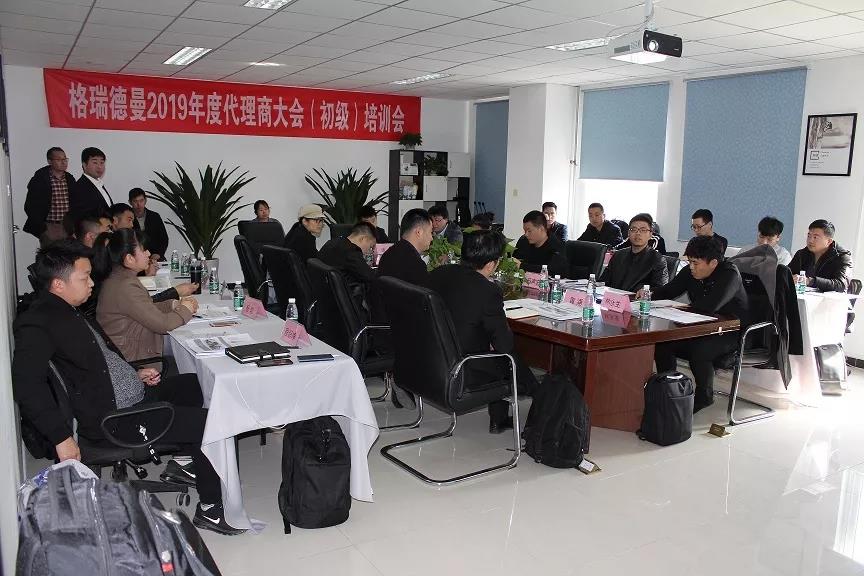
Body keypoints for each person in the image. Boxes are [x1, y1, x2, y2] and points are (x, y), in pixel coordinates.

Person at [12, 241, 243, 535]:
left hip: (129, 396)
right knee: (209, 422)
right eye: (85, 277)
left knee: (198, 386)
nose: (92, 283)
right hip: (117, 418)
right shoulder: (39, 322)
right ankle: (211, 510)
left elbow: (97, 362)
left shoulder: (66, 310)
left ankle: (187, 463)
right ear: (58, 284)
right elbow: (27, 384)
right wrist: (61, 437)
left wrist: (134, 373)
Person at [429, 230, 538, 434]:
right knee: (510, 359)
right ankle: (538, 401)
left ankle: (501, 417)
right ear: (491, 265)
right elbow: (504, 345)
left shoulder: (438, 274)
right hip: (463, 368)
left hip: (431, 360)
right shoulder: (487, 290)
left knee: (496, 351)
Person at [646, 236, 748, 413]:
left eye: (695, 263)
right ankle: (669, 387)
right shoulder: (691, 271)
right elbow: (669, 290)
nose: (691, 267)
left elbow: (711, 305)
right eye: (689, 262)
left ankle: (704, 396)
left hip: (732, 332)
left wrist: (679, 310)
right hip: (701, 327)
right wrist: (647, 294)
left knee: (700, 348)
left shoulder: (729, 274)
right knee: (663, 343)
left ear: (713, 263)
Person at [95, 228, 198, 363]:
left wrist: (173, 304)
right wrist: (185, 309)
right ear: (129, 259)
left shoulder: (119, 278)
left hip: (127, 353)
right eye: (143, 250)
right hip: (134, 362)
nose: (148, 253)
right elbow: (164, 325)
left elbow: (145, 307)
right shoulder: (126, 286)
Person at [601, 213, 668, 292]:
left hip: (636, 299)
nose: (638, 233)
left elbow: (661, 290)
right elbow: (603, 282)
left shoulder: (657, 260)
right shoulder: (618, 255)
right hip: (613, 297)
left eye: (643, 230)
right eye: (633, 229)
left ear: (650, 234)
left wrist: (647, 292)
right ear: (628, 233)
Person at [24, 147, 76, 247]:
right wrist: (42, 228)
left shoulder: (70, 179)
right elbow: (30, 206)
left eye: (65, 159)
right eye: (59, 159)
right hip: (49, 226)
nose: (63, 162)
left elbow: (75, 202)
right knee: (50, 255)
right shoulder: (40, 179)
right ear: (49, 161)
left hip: (67, 226)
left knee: (68, 255)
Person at [318, 221, 377, 309]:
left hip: (324, 297)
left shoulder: (331, 243)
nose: (369, 251)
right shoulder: (351, 252)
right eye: (371, 247)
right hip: (341, 302)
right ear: (363, 239)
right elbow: (369, 276)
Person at [789, 219, 852, 292]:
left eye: (815, 237)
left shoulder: (842, 257)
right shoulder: (802, 254)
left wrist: (810, 281)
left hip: (829, 298)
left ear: (829, 241)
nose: (810, 240)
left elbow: (841, 285)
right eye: (809, 236)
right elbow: (788, 273)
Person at [377, 208, 433, 288]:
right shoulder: (416, 264)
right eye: (430, 232)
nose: (431, 238)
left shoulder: (388, 254)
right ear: (419, 232)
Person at [512, 210, 567, 277]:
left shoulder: (556, 245)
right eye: (525, 231)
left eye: (529, 231)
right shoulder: (523, 241)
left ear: (541, 229)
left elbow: (554, 270)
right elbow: (514, 260)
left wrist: (522, 266)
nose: (526, 234)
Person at [70, 147, 113, 220]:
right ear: (84, 165)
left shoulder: (99, 184)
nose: (99, 167)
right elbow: (83, 217)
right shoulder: (80, 188)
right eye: (95, 163)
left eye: (102, 162)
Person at [129, 188, 169, 260]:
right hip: (135, 258)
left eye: (141, 200)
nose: (139, 204)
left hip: (155, 256)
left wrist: (159, 254)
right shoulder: (128, 218)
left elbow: (164, 239)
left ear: (145, 200)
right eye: (135, 201)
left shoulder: (154, 216)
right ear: (130, 202)